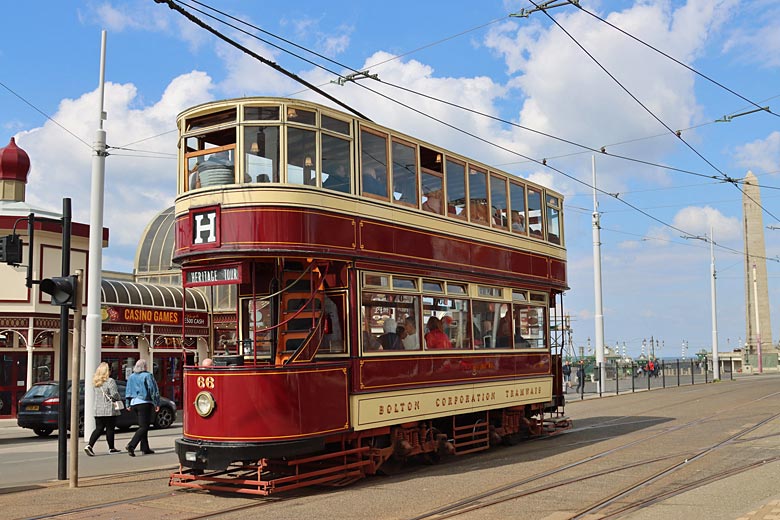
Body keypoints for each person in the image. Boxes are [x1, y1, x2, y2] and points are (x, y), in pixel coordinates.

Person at [84, 362, 122, 456]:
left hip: (98, 408)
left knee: (99, 429)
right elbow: (114, 394)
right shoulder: (110, 381)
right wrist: (118, 398)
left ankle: (89, 445)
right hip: (108, 408)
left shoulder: (96, 382)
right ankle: (111, 448)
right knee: (110, 429)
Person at [124, 359, 160, 457]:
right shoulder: (148, 376)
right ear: (144, 367)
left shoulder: (131, 377)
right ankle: (131, 445)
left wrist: (127, 403)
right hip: (144, 402)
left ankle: (145, 448)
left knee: (142, 426)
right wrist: (156, 403)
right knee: (144, 426)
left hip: (134, 403)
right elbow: (152, 390)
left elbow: (128, 390)